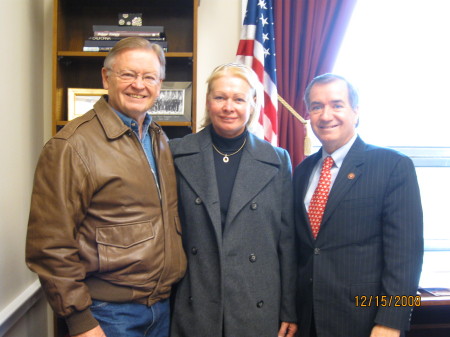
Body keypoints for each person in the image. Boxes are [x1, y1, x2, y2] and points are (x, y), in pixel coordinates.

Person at [26, 37, 186, 337]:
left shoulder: (158, 138)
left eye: (149, 77)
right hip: (107, 315)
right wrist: (80, 321)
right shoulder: (71, 146)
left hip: (162, 310)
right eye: (128, 74)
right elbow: (49, 246)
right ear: (106, 77)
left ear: (159, 84)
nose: (139, 85)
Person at [169, 63, 298, 337]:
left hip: (257, 303)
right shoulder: (176, 153)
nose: (229, 107)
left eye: (239, 99)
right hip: (195, 300)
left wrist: (289, 308)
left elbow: (286, 242)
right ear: (208, 101)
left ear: (253, 104)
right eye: (220, 97)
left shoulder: (277, 160)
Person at [293, 73, 423, 337]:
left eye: (337, 104)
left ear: (356, 111)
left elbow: (407, 255)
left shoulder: (392, 166)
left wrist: (392, 321)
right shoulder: (303, 170)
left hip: (364, 322)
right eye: (317, 107)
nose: (326, 115)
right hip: (307, 320)